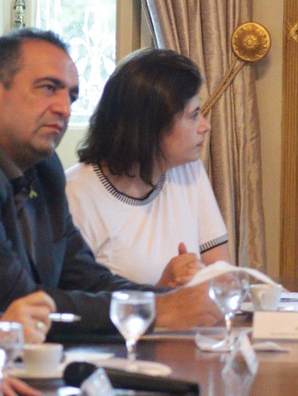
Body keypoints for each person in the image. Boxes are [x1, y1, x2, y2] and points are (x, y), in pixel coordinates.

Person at [0, 28, 221, 333]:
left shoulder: (45, 171)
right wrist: (158, 311)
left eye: (71, 96)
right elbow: (20, 301)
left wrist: (180, 300)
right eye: (49, 88)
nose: (64, 108)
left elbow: (89, 279)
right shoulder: (71, 182)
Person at [65, 49, 230, 286]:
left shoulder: (188, 169)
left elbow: (222, 276)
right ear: (150, 125)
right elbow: (80, 307)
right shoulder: (75, 194)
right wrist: (163, 291)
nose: (205, 126)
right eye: (194, 115)